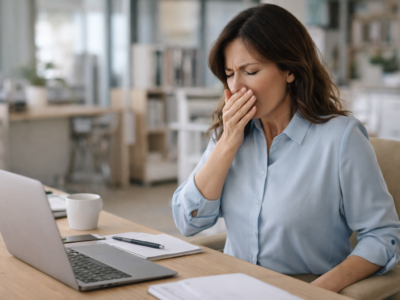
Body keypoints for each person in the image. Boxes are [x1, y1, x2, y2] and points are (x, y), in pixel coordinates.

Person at [172, 4, 400, 293]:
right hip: (230, 287)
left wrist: (317, 291)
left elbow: (383, 236)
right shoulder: (230, 134)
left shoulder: (341, 139)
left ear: (289, 70)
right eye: (230, 74)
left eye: (250, 71)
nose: (237, 86)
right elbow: (186, 221)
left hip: (304, 288)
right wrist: (228, 143)